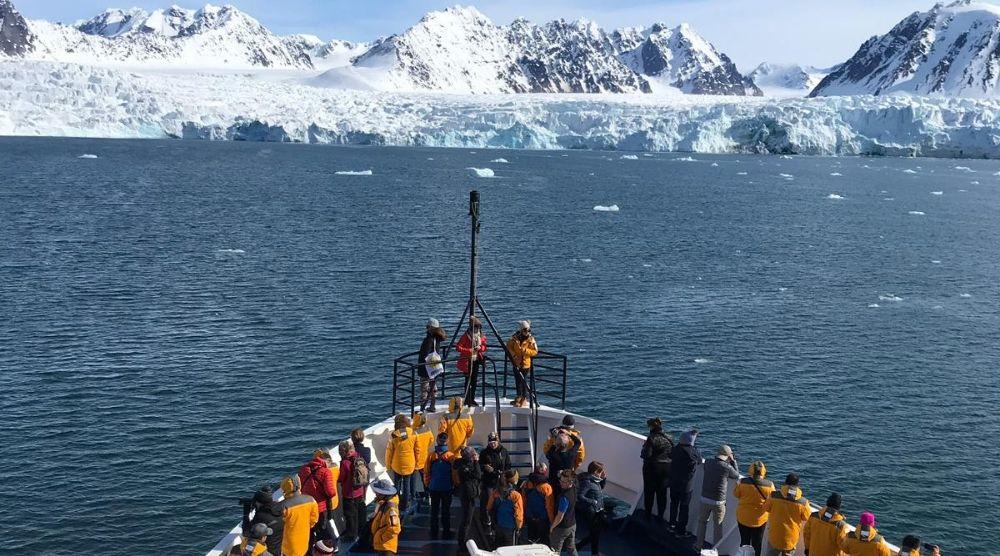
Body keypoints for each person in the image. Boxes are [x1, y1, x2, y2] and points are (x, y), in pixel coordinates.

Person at [696, 445, 739, 550]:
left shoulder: (708, 462)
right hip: (718, 502)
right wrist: (733, 461)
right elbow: (736, 475)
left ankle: (698, 545)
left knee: (702, 522)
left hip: (705, 498)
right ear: (728, 456)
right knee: (717, 526)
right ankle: (715, 549)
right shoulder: (727, 467)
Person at [733, 460, 775, 556]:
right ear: (763, 471)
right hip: (759, 520)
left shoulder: (742, 482)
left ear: (751, 470)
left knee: (744, 542)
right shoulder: (769, 485)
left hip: (743, 517)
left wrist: (737, 484)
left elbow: (736, 494)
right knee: (757, 544)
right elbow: (771, 502)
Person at [763, 473, 812, 556]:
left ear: (785, 482)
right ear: (797, 485)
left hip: (774, 535)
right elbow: (806, 517)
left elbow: (766, 508)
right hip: (791, 538)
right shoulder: (803, 502)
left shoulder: (773, 496)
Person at [299, 449, 339, 547]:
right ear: (327, 461)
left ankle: (312, 549)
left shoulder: (304, 468)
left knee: (311, 529)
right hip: (320, 507)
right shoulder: (326, 472)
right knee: (322, 528)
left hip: (307, 504)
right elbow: (331, 492)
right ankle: (327, 548)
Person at [668, 429, 701, 536]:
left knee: (673, 504)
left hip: (673, 483)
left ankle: (671, 525)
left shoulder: (675, 450)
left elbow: (670, 455)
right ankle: (681, 530)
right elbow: (700, 461)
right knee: (684, 507)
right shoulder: (693, 452)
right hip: (686, 486)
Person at [640, 417, 673, 522]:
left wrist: (643, 447)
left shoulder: (651, 438)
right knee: (662, 494)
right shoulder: (669, 437)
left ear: (651, 427)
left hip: (652, 468)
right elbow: (672, 454)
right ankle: (660, 516)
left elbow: (646, 455)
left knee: (649, 493)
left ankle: (647, 515)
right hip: (666, 469)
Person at [424, 432, 455, 539]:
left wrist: (428, 485)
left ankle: (434, 533)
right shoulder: (451, 456)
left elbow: (426, 472)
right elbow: (454, 473)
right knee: (446, 511)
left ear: (437, 441)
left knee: (434, 511)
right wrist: (454, 485)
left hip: (434, 487)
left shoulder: (431, 456)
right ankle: (446, 533)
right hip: (447, 488)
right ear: (447, 441)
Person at [385, 414, 418, 514]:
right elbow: (417, 449)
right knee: (406, 485)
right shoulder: (413, 433)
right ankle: (405, 505)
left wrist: (388, 465)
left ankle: (396, 502)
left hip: (397, 464)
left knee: (397, 484)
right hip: (409, 463)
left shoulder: (394, 436)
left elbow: (389, 452)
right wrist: (417, 462)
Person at [575, 461, 608, 555]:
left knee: (595, 533)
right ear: (595, 472)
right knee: (595, 534)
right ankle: (583, 548)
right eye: (601, 471)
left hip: (598, 510)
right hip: (591, 512)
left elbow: (600, 488)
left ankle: (591, 551)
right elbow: (580, 496)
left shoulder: (595, 481)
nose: (602, 473)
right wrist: (592, 501)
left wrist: (604, 478)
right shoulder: (587, 482)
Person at [281, 475, 319, 556]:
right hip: (304, 538)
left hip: (288, 544)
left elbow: (279, 525)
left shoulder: (283, 506)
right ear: (299, 485)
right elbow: (314, 519)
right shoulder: (311, 500)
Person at [454, 446, 483, 553]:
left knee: (466, 519)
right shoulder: (464, 465)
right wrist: (476, 462)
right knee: (467, 520)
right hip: (468, 494)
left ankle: (462, 541)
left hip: (468, 493)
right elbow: (478, 475)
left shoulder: (462, 463)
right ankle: (462, 543)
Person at [338, 440, 367, 543]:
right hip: (360, 491)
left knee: (350, 516)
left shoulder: (345, 463)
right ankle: (361, 532)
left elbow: (342, 478)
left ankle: (351, 536)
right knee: (360, 513)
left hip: (350, 494)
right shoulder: (359, 457)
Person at [521, 462, 555, 546]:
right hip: (543, 519)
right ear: (545, 472)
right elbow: (549, 506)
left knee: (531, 541)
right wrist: (552, 521)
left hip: (530, 516)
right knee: (543, 543)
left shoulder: (526, 484)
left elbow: (523, 501)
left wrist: (524, 516)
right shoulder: (546, 487)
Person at [803, 492, 848, 556]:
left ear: (827, 502)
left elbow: (806, 533)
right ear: (839, 506)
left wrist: (807, 548)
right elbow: (843, 546)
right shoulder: (840, 525)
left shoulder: (814, 516)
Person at [243, 485, 284, 556]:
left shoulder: (261, 516)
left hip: (265, 552)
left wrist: (246, 514)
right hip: (278, 549)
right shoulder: (280, 508)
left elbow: (246, 533)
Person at [488, 469, 524, 547]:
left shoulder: (495, 492)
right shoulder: (516, 495)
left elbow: (489, 507)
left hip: (498, 526)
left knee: (498, 548)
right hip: (510, 528)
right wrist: (518, 528)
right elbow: (519, 516)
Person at [506, 320, 539, 407]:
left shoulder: (531, 340)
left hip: (525, 364)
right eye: (525, 330)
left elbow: (535, 351)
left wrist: (525, 351)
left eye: (528, 330)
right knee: (517, 381)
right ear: (520, 330)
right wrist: (513, 355)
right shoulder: (514, 339)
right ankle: (519, 397)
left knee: (523, 381)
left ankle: (524, 398)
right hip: (516, 363)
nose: (527, 332)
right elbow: (509, 346)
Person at [456, 316, 487, 406]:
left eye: (478, 327)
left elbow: (485, 346)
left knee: (474, 381)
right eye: (476, 327)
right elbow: (458, 347)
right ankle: (467, 399)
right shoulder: (466, 336)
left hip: (476, 360)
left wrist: (480, 348)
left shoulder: (481, 336)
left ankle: (472, 399)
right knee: (468, 381)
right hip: (467, 361)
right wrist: (469, 350)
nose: (477, 329)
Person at [418, 319, 447, 412]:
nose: (426, 329)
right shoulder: (437, 339)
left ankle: (422, 408)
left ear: (430, 328)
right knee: (433, 387)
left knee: (424, 388)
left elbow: (424, 354)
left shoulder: (429, 339)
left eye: (427, 327)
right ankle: (432, 406)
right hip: (434, 367)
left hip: (426, 369)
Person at [549, 469, 579, 556]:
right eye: (561, 480)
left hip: (562, 528)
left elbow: (560, 516)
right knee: (571, 548)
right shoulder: (575, 488)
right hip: (572, 524)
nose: (561, 483)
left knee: (555, 551)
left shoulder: (564, 497)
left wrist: (552, 527)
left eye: (564, 482)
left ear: (570, 482)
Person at [370, 478, 402, 556]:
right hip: (383, 545)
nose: (376, 494)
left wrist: (382, 538)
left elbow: (395, 529)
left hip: (386, 547)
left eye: (377, 492)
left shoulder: (390, 509)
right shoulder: (384, 504)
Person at [479, 432, 511, 506]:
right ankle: (488, 517)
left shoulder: (504, 451)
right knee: (489, 502)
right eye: (490, 443)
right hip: (489, 482)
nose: (492, 444)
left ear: (498, 441)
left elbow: (508, 465)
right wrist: (485, 467)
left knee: (501, 502)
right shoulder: (484, 453)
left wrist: (503, 473)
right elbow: (480, 465)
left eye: (494, 442)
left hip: (501, 481)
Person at [412, 412, 435, 510]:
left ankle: (413, 497)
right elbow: (431, 440)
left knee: (412, 480)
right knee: (425, 479)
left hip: (414, 460)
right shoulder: (428, 429)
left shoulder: (414, 432)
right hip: (424, 458)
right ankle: (428, 495)